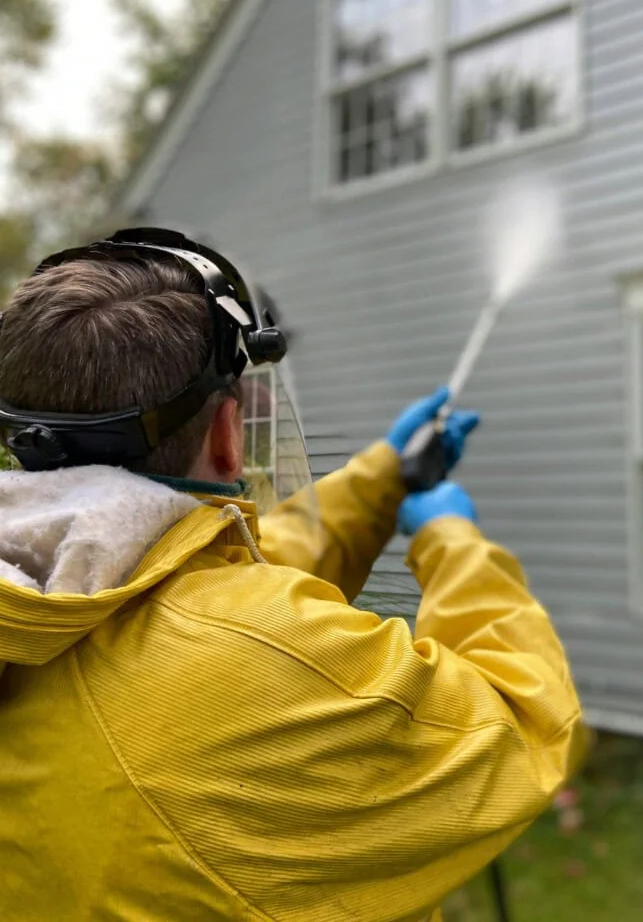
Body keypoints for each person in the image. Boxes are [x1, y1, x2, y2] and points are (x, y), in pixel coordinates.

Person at [0, 228, 587, 922]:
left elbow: (217, 581)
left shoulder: (44, 588)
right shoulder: (248, 660)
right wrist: (449, 537)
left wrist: (383, 479)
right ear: (229, 432)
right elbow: (519, 722)